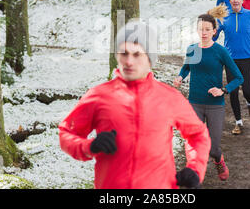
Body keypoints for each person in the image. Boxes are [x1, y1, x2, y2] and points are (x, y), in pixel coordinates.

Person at [59, 21, 211, 189]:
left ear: (149, 59)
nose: (129, 61)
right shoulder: (98, 96)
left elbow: (197, 134)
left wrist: (195, 169)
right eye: (124, 53)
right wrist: (89, 146)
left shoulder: (169, 97)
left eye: (137, 54)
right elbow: (66, 133)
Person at [173, 12, 243, 181]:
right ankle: (195, 174)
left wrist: (224, 90)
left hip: (215, 105)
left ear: (214, 31)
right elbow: (187, 67)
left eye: (207, 29)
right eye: (200, 29)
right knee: (193, 143)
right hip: (194, 103)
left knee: (213, 148)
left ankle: (218, 159)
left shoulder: (221, 51)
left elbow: (239, 77)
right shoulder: (192, 49)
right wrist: (181, 76)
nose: (203, 32)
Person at [213, 0, 250, 135]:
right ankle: (238, 123)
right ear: (229, 0)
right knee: (233, 91)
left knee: (248, 91)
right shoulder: (224, 17)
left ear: (242, 0)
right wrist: (210, 29)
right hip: (230, 60)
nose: (235, 0)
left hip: (249, 59)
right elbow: (214, 36)